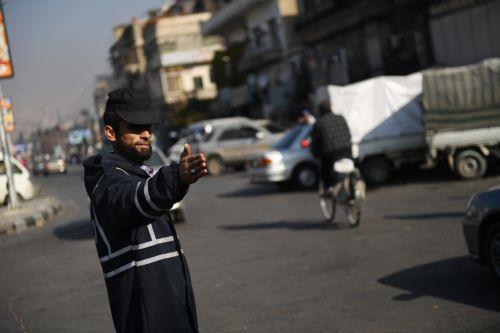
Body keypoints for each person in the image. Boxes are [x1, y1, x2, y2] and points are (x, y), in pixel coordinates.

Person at [83, 88, 207, 333]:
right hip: (145, 318)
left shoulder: (135, 173)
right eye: (135, 127)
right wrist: (175, 176)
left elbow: (151, 193)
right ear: (110, 132)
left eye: (148, 127)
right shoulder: (107, 181)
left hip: (173, 309)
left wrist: (178, 182)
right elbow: (134, 201)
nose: (146, 134)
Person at [311, 99, 352, 194]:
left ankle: (329, 188)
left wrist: (315, 153)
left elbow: (316, 142)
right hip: (347, 149)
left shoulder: (319, 123)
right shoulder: (340, 118)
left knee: (325, 169)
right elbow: (348, 134)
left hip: (331, 153)